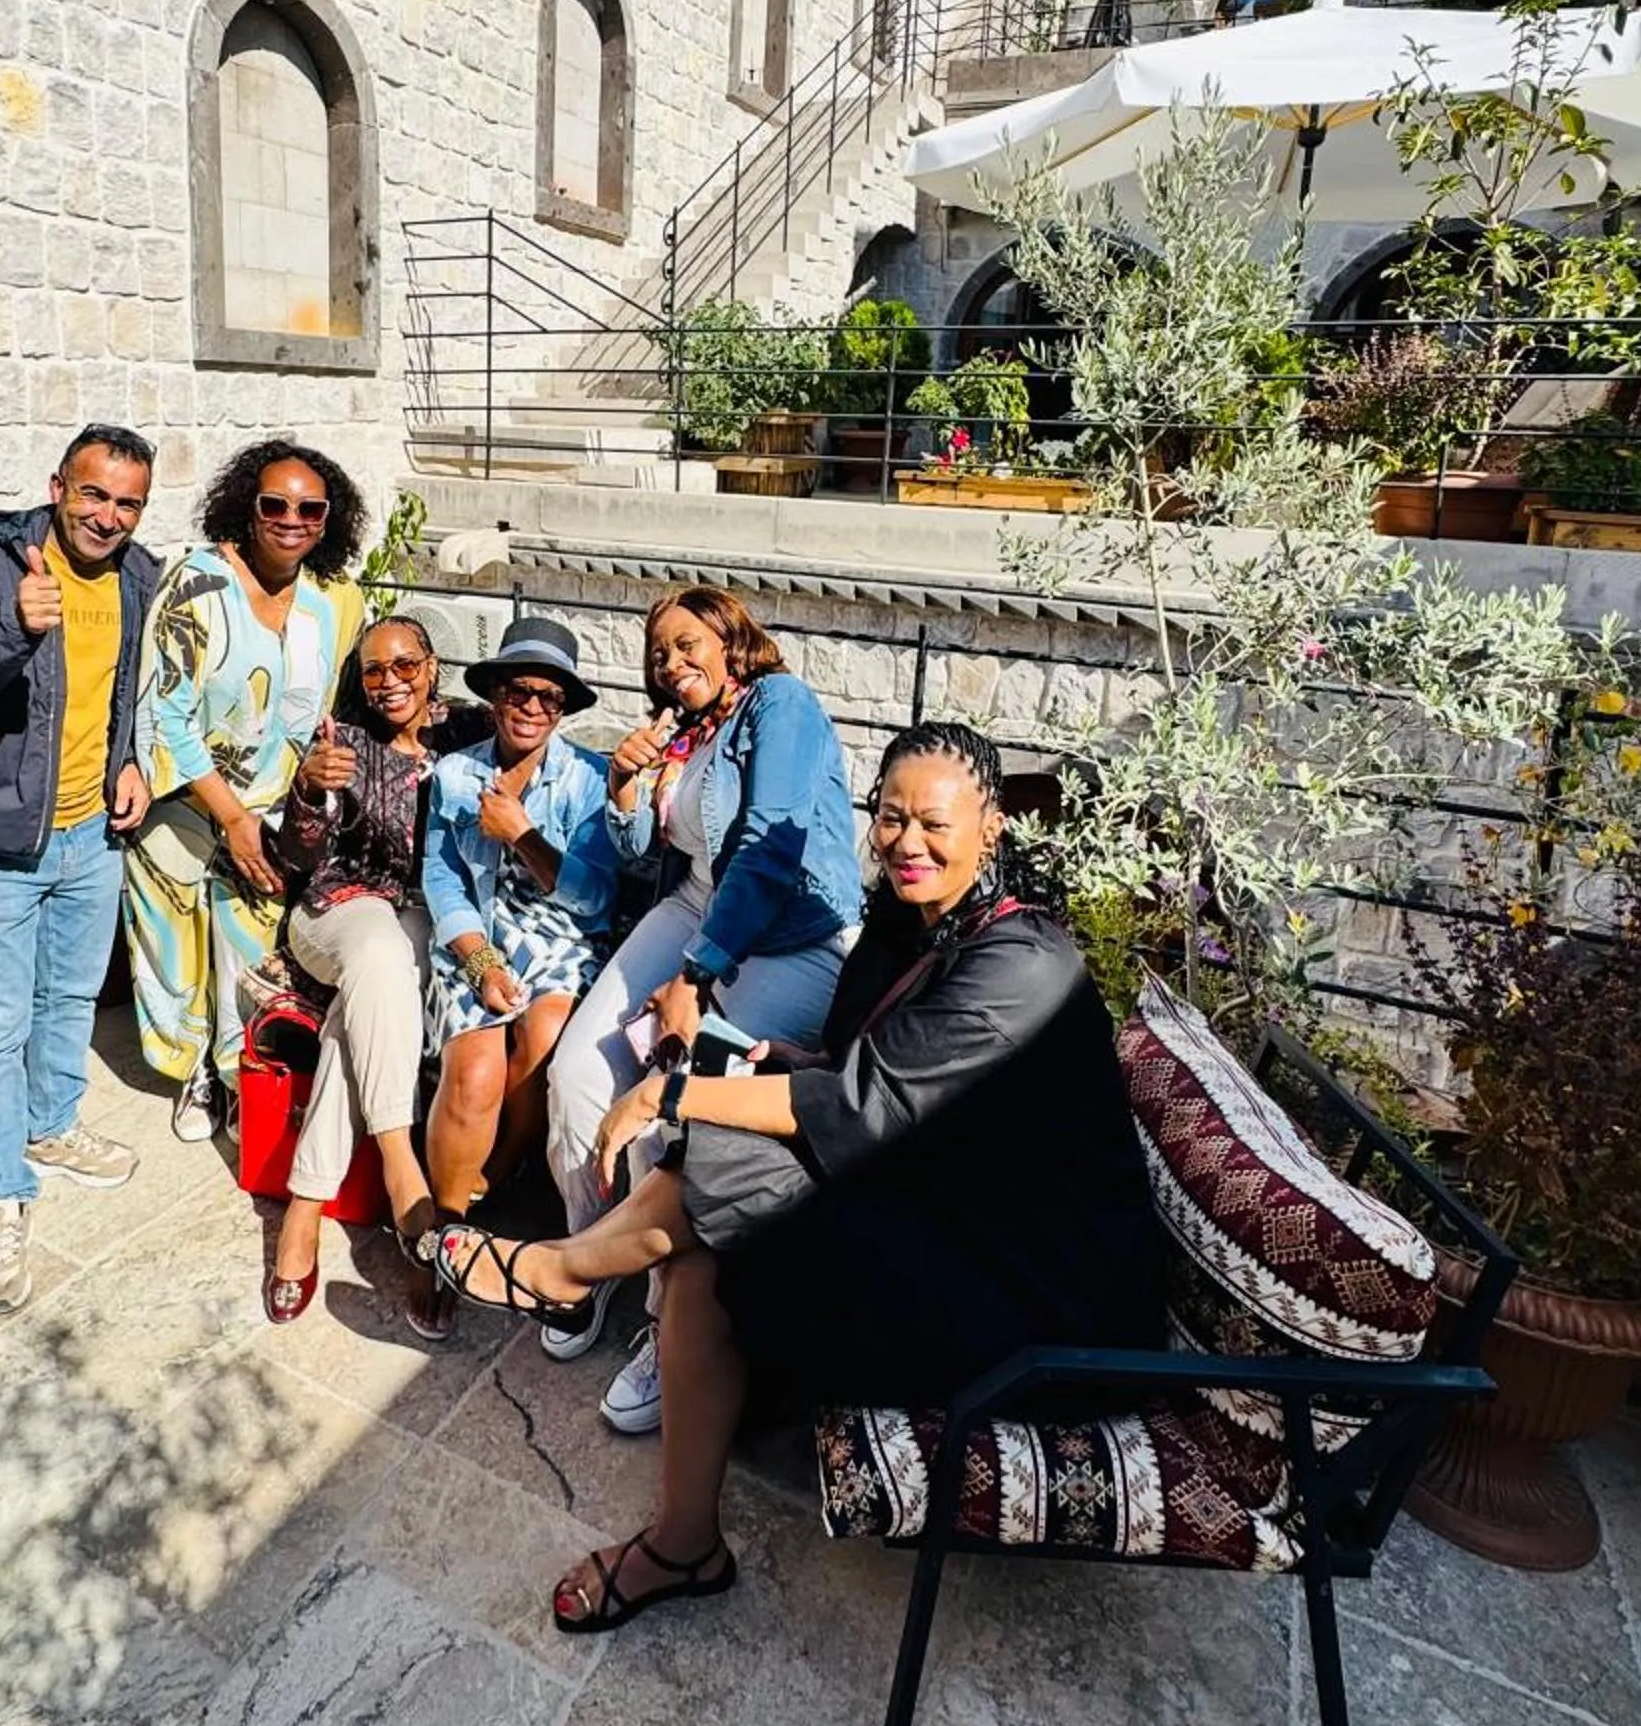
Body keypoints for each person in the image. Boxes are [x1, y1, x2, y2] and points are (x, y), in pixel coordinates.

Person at [437, 721, 1168, 1632]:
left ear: (992, 830)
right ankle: (684, 1544)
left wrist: (674, 1093)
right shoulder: (906, 921)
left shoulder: (1025, 966)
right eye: (891, 817)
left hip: (1039, 1299)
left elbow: (864, 1105)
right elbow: (859, 1066)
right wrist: (772, 1059)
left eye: (935, 824)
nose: (907, 842)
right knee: (710, 1249)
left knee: (722, 1162)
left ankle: (566, 1268)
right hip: (943, 1196)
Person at [543, 584, 863, 1430]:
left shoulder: (780, 704)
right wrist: (624, 785)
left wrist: (696, 974)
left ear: (730, 639)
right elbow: (642, 848)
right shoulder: (684, 733)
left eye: (688, 643)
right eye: (659, 653)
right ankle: (588, 1260)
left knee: (671, 1118)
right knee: (578, 1074)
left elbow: (769, 849)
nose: (672, 662)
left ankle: (669, 1326)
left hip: (795, 932)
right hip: (698, 906)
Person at [0, 426, 159, 1320]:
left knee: (69, 1000)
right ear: (58, 487)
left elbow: (125, 692)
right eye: (93, 494)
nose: (108, 516)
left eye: (128, 503)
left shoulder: (138, 578)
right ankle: (0, 1197)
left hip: (91, 836)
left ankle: (51, 1127)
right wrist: (11, 628)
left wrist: (129, 763)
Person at [123, 441, 368, 1142]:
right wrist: (229, 815)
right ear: (246, 507)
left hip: (269, 816)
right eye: (275, 504)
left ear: (328, 520)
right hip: (186, 803)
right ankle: (191, 1072)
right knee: (173, 950)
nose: (292, 519)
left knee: (246, 946)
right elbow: (165, 712)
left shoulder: (329, 603)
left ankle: (238, 1077)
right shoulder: (197, 584)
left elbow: (323, 711)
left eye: (310, 509)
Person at [420, 619, 616, 1326]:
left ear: (563, 708)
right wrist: (478, 960)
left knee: (545, 1040)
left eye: (549, 697)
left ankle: (496, 1176)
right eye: (518, 692)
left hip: (559, 934)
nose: (532, 707)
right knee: (475, 1073)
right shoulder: (455, 774)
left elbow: (596, 897)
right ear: (495, 696)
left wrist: (523, 835)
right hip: (478, 932)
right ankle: (442, 1236)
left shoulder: (589, 780)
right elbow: (441, 878)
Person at [266, 615, 452, 1335]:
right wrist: (307, 791)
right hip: (336, 909)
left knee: (372, 998)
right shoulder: (343, 742)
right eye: (375, 669)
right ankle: (404, 1172)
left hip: (424, 915)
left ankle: (305, 1205)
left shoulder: (464, 733)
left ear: (431, 666)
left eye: (405, 665)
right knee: (378, 954)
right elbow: (297, 858)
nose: (390, 682)